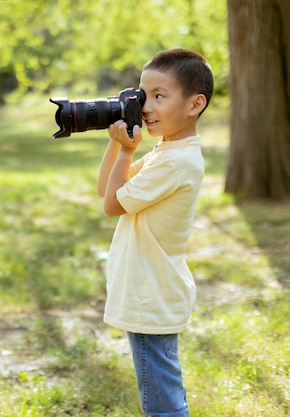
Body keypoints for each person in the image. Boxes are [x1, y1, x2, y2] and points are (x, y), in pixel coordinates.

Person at [96, 48, 214, 416]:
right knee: (162, 390)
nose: (146, 105)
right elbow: (106, 188)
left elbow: (113, 204)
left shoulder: (176, 162)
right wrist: (118, 143)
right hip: (151, 288)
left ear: (195, 104)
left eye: (159, 96)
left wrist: (128, 153)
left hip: (152, 291)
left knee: (163, 402)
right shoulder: (168, 151)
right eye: (143, 95)